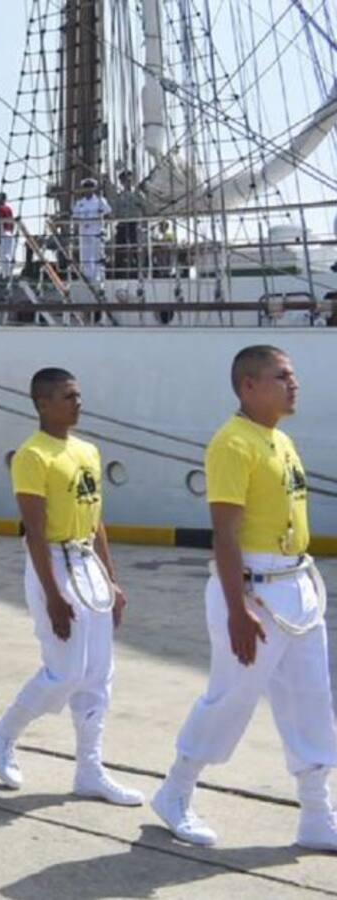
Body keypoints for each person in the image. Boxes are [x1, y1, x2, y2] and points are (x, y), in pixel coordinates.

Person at [152, 346, 337, 851]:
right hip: (254, 591)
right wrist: (237, 609)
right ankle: (175, 793)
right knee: (231, 698)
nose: (293, 383)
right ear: (249, 386)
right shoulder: (233, 444)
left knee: (312, 699)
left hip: (296, 586)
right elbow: (225, 533)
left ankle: (318, 817)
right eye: (282, 376)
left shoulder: (279, 439)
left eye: (293, 375)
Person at [0, 368, 142, 806]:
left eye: (78, 395)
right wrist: (53, 595)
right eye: (68, 396)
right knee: (65, 670)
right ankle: (2, 732)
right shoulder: (33, 456)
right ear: (42, 404)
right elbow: (33, 530)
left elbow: (97, 520)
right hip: (54, 561)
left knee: (98, 674)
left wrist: (112, 581)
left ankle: (89, 770)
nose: (78, 403)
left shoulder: (87, 450)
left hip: (87, 560)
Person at [72, 178, 111, 283]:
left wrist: (104, 227)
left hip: (96, 231)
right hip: (84, 232)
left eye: (90, 187)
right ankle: (86, 277)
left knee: (98, 255)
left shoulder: (100, 201)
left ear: (94, 188)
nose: (88, 189)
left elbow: (108, 214)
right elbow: (75, 217)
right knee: (85, 255)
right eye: (86, 187)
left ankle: (99, 277)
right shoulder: (80, 203)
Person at [111, 170, 146, 277]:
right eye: (125, 181)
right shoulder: (119, 196)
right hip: (122, 224)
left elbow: (144, 206)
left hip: (134, 224)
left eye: (129, 180)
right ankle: (119, 270)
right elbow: (115, 211)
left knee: (136, 247)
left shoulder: (138, 194)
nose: (127, 183)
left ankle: (138, 270)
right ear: (121, 182)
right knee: (120, 248)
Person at [0, 192, 17, 278]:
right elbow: (12, 222)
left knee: (2, 255)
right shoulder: (9, 209)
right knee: (8, 253)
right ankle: (8, 273)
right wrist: (11, 231)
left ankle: (5, 274)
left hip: (3, 232)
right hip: (9, 232)